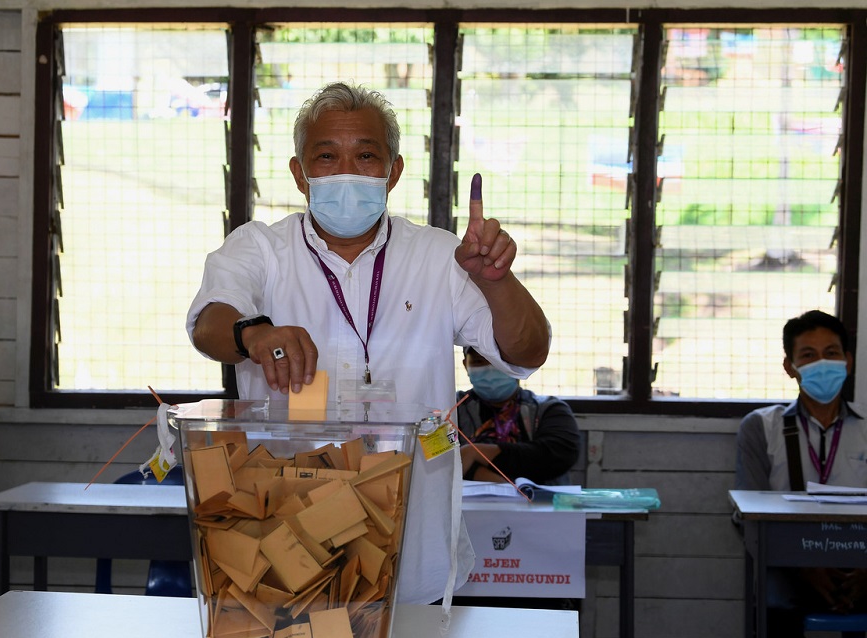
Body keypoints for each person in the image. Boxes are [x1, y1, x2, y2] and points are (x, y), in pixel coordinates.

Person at [186, 81, 551, 606]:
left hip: (414, 546)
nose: (348, 172)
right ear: (299, 173)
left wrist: (496, 280)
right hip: (287, 545)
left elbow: (526, 353)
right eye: (327, 157)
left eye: (366, 156)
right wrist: (255, 334)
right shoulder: (261, 249)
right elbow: (208, 324)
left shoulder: (440, 256)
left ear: (394, 171)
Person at [735, 309, 867, 638]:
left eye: (832, 353)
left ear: (848, 361)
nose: (822, 363)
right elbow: (749, 516)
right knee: (772, 604)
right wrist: (803, 565)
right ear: (790, 366)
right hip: (789, 564)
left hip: (862, 558)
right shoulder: (761, 427)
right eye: (808, 355)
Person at [457, 346, 579, 485]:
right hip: (467, 507)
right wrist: (502, 485)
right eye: (479, 361)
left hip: (539, 505)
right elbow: (437, 460)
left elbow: (557, 455)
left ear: (518, 364)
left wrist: (474, 453)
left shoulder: (549, 410)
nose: (490, 368)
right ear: (465, 365)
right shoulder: (452, 411)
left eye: (499, 360)